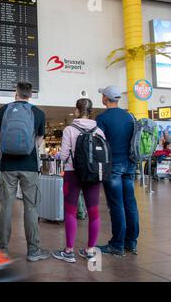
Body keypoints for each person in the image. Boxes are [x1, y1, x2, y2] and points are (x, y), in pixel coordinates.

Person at [0, 81, 50, 261]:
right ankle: (33, 251)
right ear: (31, 94)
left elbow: (1, 135)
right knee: (31, 207)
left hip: (7, 166)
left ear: (16, 93)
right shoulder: (39, 113)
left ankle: (2, 249)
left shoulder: (3, 110)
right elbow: (39, 139)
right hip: (29, 166)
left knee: (6, 207)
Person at [52, 99, 105, 263]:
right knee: (94, 212)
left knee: (70, 211)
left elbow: (64, 155)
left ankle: (69, 251)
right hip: (94, 175)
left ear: (76, 111)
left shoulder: (69, 129)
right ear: (91, 111)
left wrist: (58, 156)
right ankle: (90, 250)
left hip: (72, 174)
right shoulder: (99, 131)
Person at [96, 85, 139, 256]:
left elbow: (99, 144)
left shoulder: (102, 118)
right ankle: (131, 243)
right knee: (131, 204)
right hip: (130, 165)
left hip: (113, 166)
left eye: (103, 95)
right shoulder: (129, 116)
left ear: (106, 98)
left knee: (116, 205)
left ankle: (117, 245)